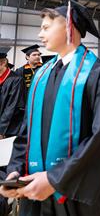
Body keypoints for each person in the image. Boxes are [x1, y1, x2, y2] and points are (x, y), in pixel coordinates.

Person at [0, 0, 100, 216]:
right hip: (36, 189)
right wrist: (14, 172)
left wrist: (54, 178)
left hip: (78, 193)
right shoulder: (40, 76)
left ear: (69, 26)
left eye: (46, 27)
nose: (40, 34)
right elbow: (26, 133)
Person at [0, 48, 25, 216]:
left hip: (9, 131)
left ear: (3, 63)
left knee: (5, 170)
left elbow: (10, 109)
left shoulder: (15, 80)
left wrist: (1, 131)